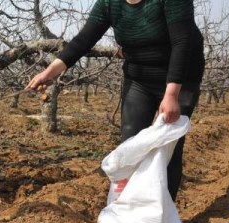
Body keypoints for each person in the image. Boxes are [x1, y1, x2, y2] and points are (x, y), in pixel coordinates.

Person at [27, 0, 204, 201]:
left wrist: (171, 95)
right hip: (139, 77)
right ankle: (128, 214)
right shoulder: (110, 3)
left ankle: (162, 217)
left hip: (182, 79)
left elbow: (182, 42)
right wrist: (49, 73)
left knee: (168, 146)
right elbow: (84, 40)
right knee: (130, 143)